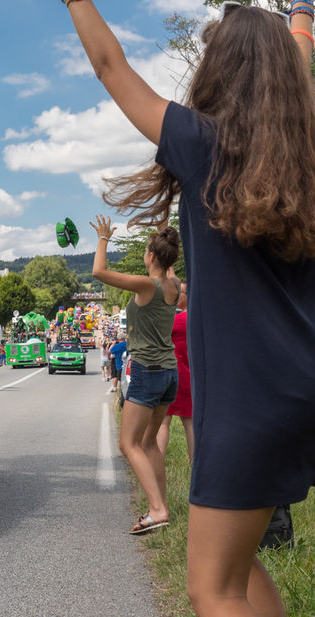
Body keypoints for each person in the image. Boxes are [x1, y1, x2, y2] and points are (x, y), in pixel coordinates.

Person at [66, 2, 315, 617]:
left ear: (219, 68)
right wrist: (301, 15)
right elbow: (297, 60)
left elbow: (110, 65)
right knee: (239, 567)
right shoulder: (303, 156)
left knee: (213, 592)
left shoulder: (204, 145)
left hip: (252, 398)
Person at [91, 216, 180, 537]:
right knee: (149, 443)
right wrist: (162, 231)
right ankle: (160, 505)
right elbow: (168, 259)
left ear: (152, 257)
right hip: (170, 372)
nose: (144, 254)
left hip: (147, 371)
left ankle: (157, 510)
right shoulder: (173, 285)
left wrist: (103, 238)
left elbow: (98, 273)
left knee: (128, 444)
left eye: (147, 250)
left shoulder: (148, 285)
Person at [157, 279, 193, 462]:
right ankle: (195, 464)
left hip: (171, 373)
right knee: (190, 422)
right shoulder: (199, 320)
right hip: (191, 377)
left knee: (164, 422)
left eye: (182, 292)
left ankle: (158, 461)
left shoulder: (175, 320)